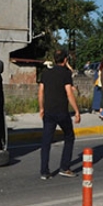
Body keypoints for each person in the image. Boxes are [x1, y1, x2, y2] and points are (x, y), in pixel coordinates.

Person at [38, 49, 81, 180]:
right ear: (65, 60)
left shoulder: (45, 73)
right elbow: (69, 93)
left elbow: (40, 92)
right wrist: (77, 111)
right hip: (61, 111)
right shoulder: (66, 74)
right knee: (69, 136)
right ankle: (65, 167)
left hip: (49, 111)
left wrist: (41, 108)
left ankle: (44, 171)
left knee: (46, 142)